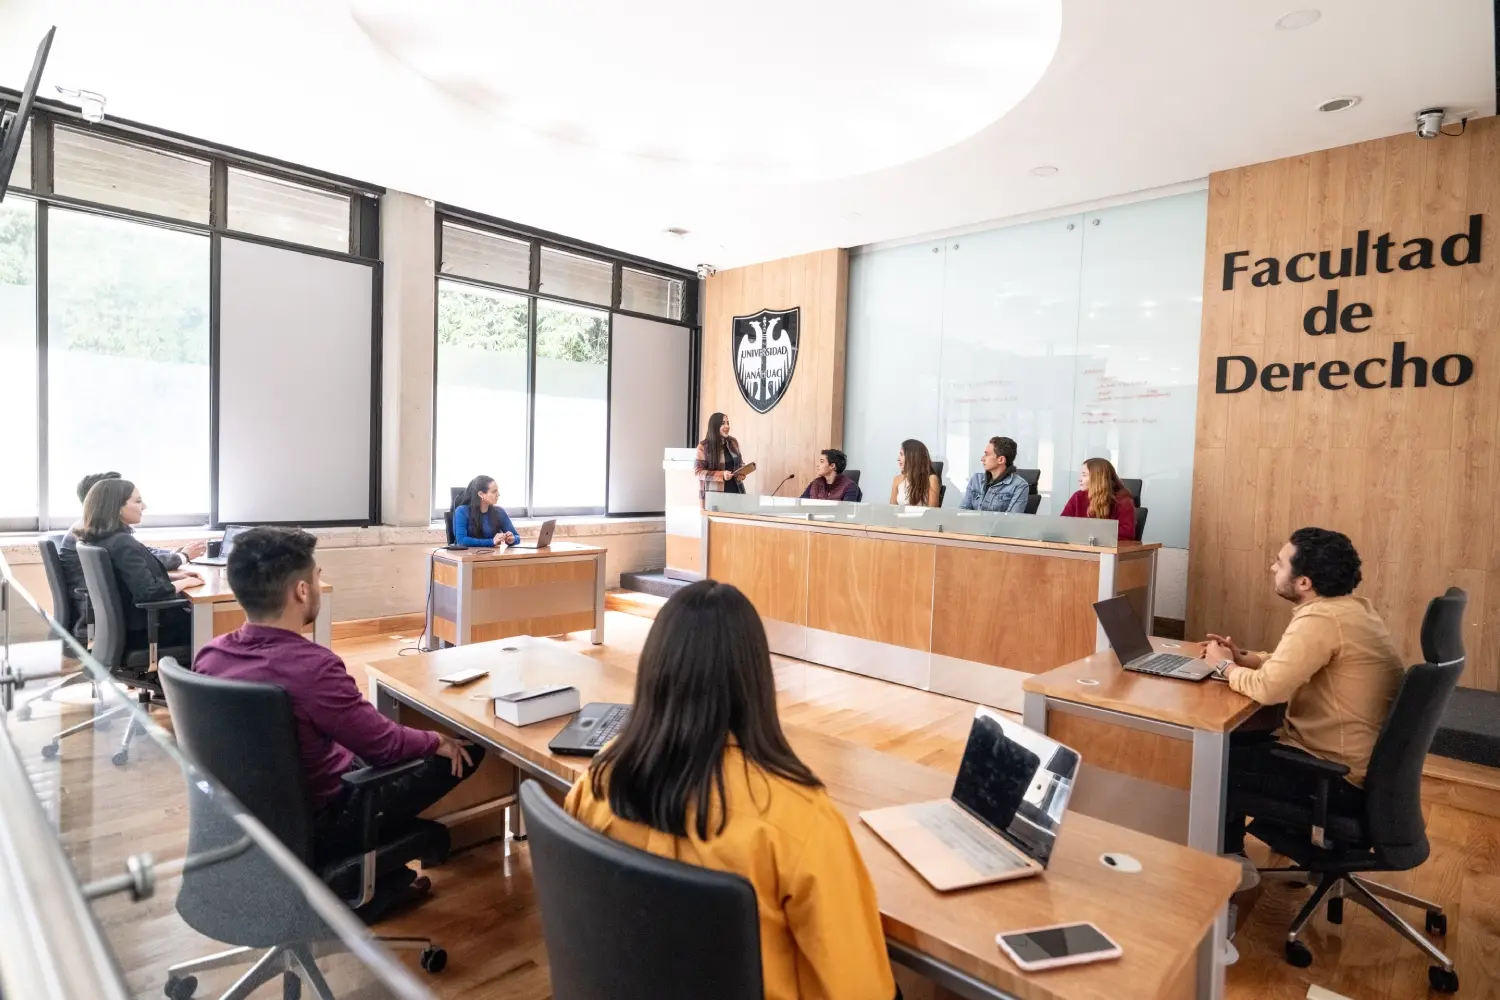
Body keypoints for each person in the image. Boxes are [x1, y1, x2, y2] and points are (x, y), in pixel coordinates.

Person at [566, 581, 896, 1000]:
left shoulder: (600, 777)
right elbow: (861, 990)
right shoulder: (800, 819)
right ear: (756, 677)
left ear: (655, 668)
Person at [194, 526, 484, 907]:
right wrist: (437, 741)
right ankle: (363, 869)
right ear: (300, 591)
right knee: (469, 749)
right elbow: (385, 746)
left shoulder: (210, 656)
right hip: (325, 817)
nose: (318, 583)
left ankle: (384, 865)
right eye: (316, 576)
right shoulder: (314, 667)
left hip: (245, 819)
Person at [1201, 528, 1404, 859]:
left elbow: (1269, 689)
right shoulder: (1351, 609)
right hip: (1355, 769)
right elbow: (1294, 664)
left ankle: (1229, 867)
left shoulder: (1321, 619)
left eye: (1279, 563)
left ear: (1304, 582)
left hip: (1333, 777)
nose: (1272, 568)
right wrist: (1244, 659)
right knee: (1231, 741)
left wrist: (1224, 668)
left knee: (1208, 762)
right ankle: (1231, 854)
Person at [59, 471, 206, 642]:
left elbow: (124, 577)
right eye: (137, 501)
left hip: (117, 625)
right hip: (144, 630)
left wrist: (171, 576)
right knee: (212, 620)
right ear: (116, 506)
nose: (144, 506)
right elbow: (149, 593)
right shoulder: (121, 542)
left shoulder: (100, 537)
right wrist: (185, 582)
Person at [1059, 458, 1137, 541]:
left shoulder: (1123, 500)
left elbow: (1127, 533)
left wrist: (1088, 531)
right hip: (1080, 547)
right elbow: (1062, 525)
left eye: (1084, 475)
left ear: (1098, 478)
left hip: (1108, 551)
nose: (1080, 479)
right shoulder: (1078, 496)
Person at [957, 437, 1029, 513]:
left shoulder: (1019, 485)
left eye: (987, 454)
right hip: (974, 524)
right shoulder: (976, 480)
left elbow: (1011, 520)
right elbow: (962, 511)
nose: (982, 458)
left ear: (1001, 460)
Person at [695, 412, 749, 505]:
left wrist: (742, 472)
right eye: (723, 423)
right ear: (715, 426)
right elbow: (698, 472)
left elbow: (740, 463)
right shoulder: (703, 446)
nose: (727, 426)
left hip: (736, 493)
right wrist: (721, 475)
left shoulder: (733, 442)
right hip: (715, 496)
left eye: (728, 423)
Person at [451, 475, 518, 547]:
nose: (498, 494)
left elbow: (517, 537)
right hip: (468, 556)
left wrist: (512, 539)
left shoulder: (499, 512)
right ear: (481, 494)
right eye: (494, 491)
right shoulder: (461, 511)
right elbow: (461, 541)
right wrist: (492, 542)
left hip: (493, 556)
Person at [887, 439, 940, 507]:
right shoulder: (897, 479)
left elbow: (933, 512)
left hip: (922, 517)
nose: (898, 459)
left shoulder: (931, 479)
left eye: (902, 454)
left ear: (912, 457)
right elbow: (892, 509)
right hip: (900, 517)